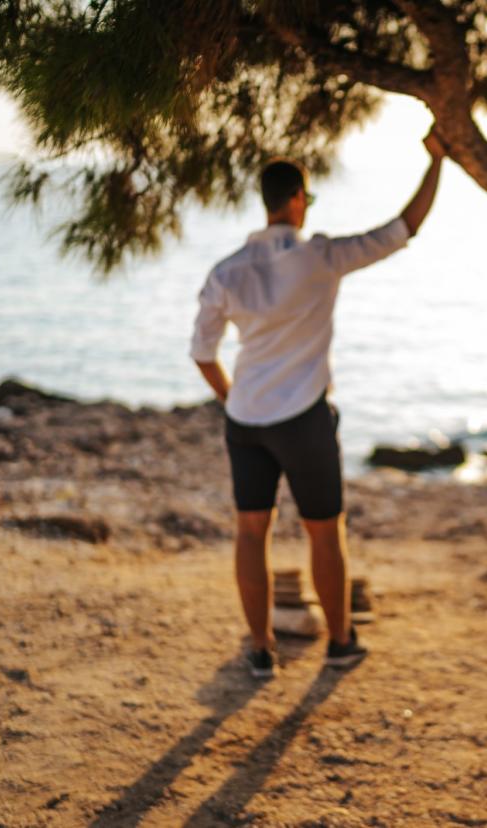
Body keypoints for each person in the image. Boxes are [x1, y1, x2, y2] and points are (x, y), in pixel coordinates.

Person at [190, 129, 448, 679]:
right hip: (303, 419)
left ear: (267, 201)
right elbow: (404, 227)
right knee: (324, 530)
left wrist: (233, 398)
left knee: (250, 532)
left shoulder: (226, 272)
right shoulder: (321, 257)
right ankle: (339, 642)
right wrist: (436, 162)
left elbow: (202, 353)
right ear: (298, 199)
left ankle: (260, 648)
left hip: (245, 421)